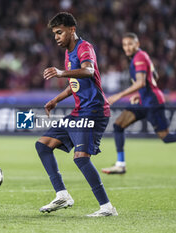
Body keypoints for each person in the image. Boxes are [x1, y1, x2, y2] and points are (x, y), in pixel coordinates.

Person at [35, 12, 117, 217]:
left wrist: (61, 72)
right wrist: (56, 100)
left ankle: (107, 208)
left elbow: (88, 71)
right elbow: (75, 84)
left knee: (81, 158)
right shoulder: (68, 53)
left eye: (59, 32)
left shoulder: (84, 47)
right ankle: (62, 194)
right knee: (43, 145)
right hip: (79, 112)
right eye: (54, 34)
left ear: (72, 30)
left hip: (94, 111)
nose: (56, 37)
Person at [102, 33, 176, 175]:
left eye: (130, 44)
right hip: (144, 101)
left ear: (137, 44)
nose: (127, 47)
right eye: (124, 44)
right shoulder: (140, 57)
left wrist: (118, 96)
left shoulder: (139, 57)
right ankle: (120, 164)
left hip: (153, 103)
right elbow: (154, 77)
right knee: (118, 125)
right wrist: (140, 96)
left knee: (166, 137)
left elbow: (141, 82)